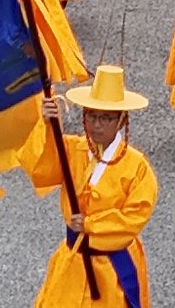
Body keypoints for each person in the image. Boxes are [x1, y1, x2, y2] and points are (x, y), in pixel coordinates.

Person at [20, 64, 157, 308]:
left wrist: (91, 225)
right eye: (92, 115)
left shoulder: (137, 166)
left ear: (121, 119)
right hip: (73, 260)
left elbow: (134, 218)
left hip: (112, 268)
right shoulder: (72, 150)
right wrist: (49, 126)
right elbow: (43, 171)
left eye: (106, 118)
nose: (97, 125)